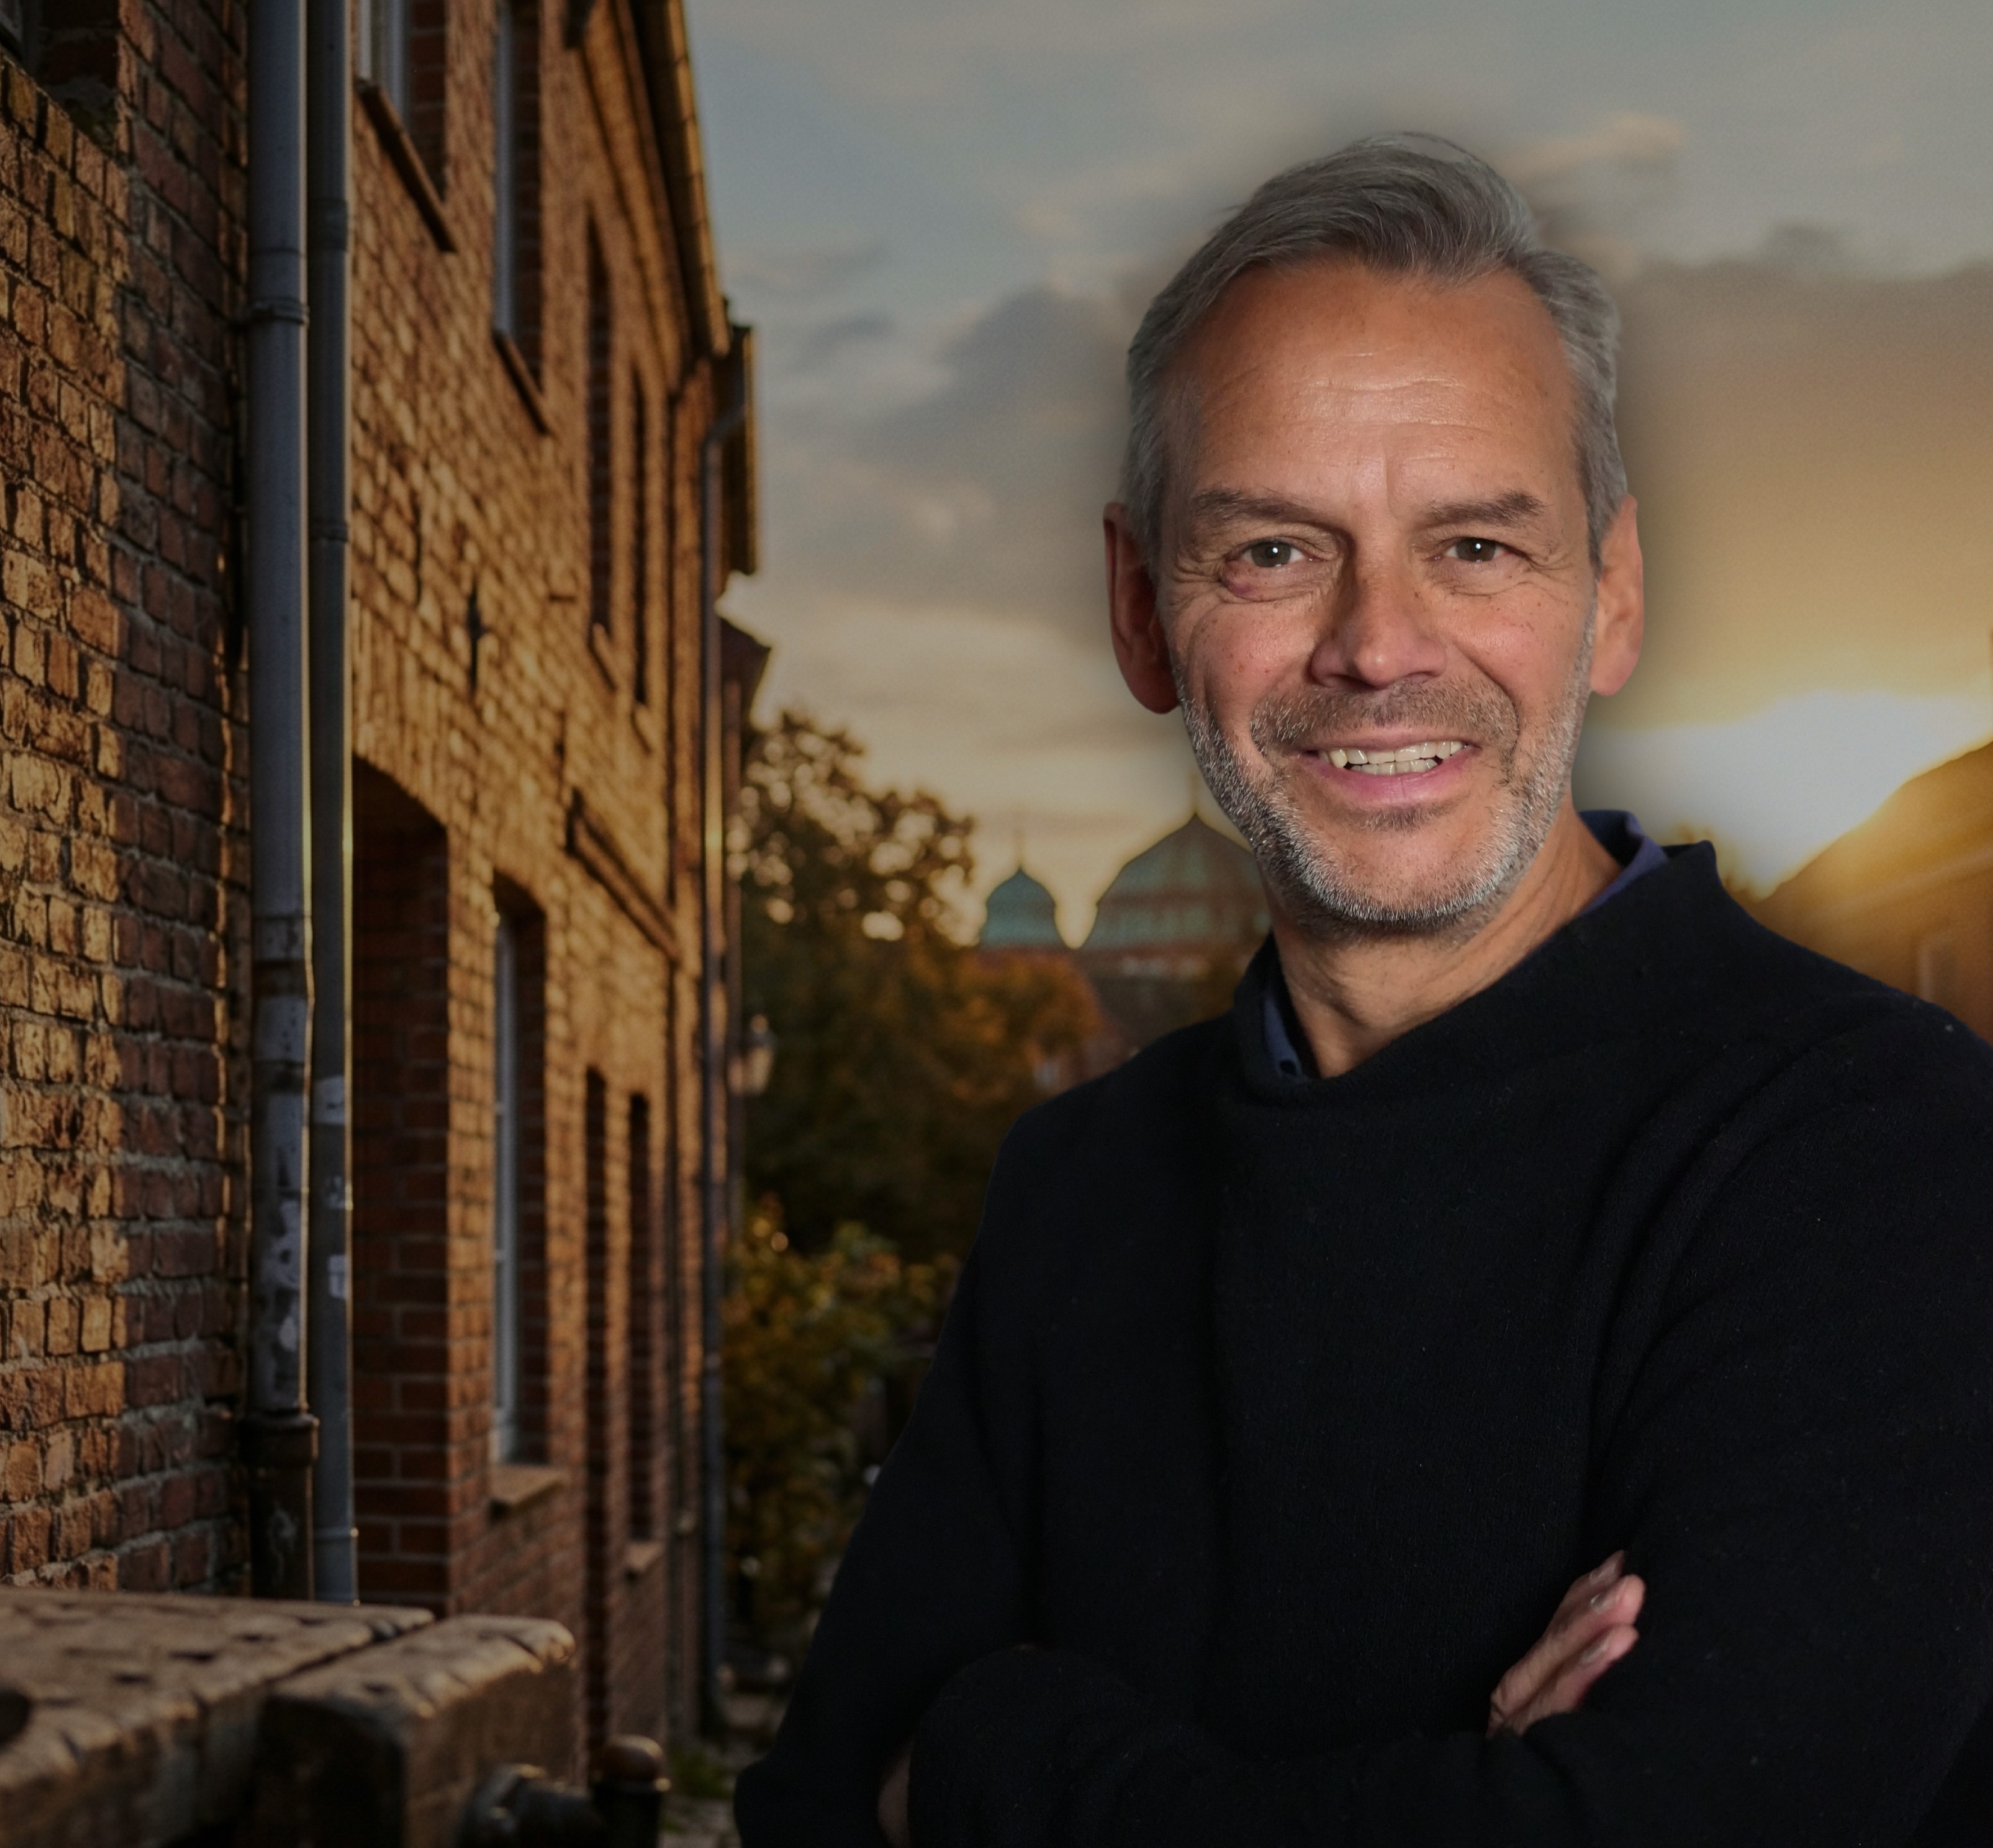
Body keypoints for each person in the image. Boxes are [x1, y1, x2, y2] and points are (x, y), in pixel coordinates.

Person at [731, 135, 1993, 1847]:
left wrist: (995, 1755)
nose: (1379, 645)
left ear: (1611, 597)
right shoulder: (1080, 1190)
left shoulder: (1871, 1147)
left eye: (1476, 546)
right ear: (1140, 607)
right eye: (1271, 552)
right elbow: (813, 1815)